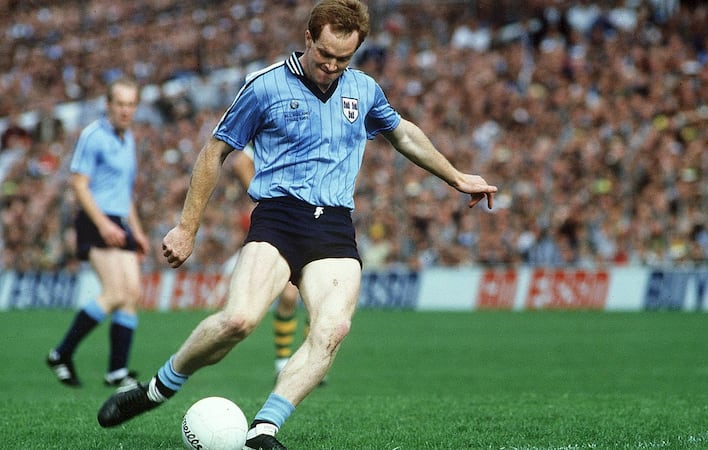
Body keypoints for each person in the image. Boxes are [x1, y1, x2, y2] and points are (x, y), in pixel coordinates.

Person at [96, 2, 496, 449]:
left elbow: (400, 133)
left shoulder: (363, 89)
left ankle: (263, 430)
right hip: (280, 217)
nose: (331, 66)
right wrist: (186, 228)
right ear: (308, 38)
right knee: (240, 320)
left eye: (343, 58)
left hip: (335, 227)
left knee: (333, 330)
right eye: (324, 53)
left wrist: (457, 177)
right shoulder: (264, 87)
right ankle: (158, 388)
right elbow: (215, 152)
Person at [47, 77, 150, 388]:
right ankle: (61, 352)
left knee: (131, 293)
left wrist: (138, 230)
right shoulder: (93, 136)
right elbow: (79, 184)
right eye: (120, 104)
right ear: (108, 105)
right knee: (116, 292)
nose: (125, 110)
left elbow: (124, 191)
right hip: (96, 219)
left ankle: (117, 371)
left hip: (119, 218)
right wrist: (104, 224)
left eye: (131, 104)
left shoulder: (128, 137)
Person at [231, 148, 306, 378]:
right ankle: (283, 361)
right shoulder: (283, 121)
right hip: (286, 220)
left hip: (318, 216)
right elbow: (241, 162)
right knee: (289, 295)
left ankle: (310, 361)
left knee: (319, 297)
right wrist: (263, 195)